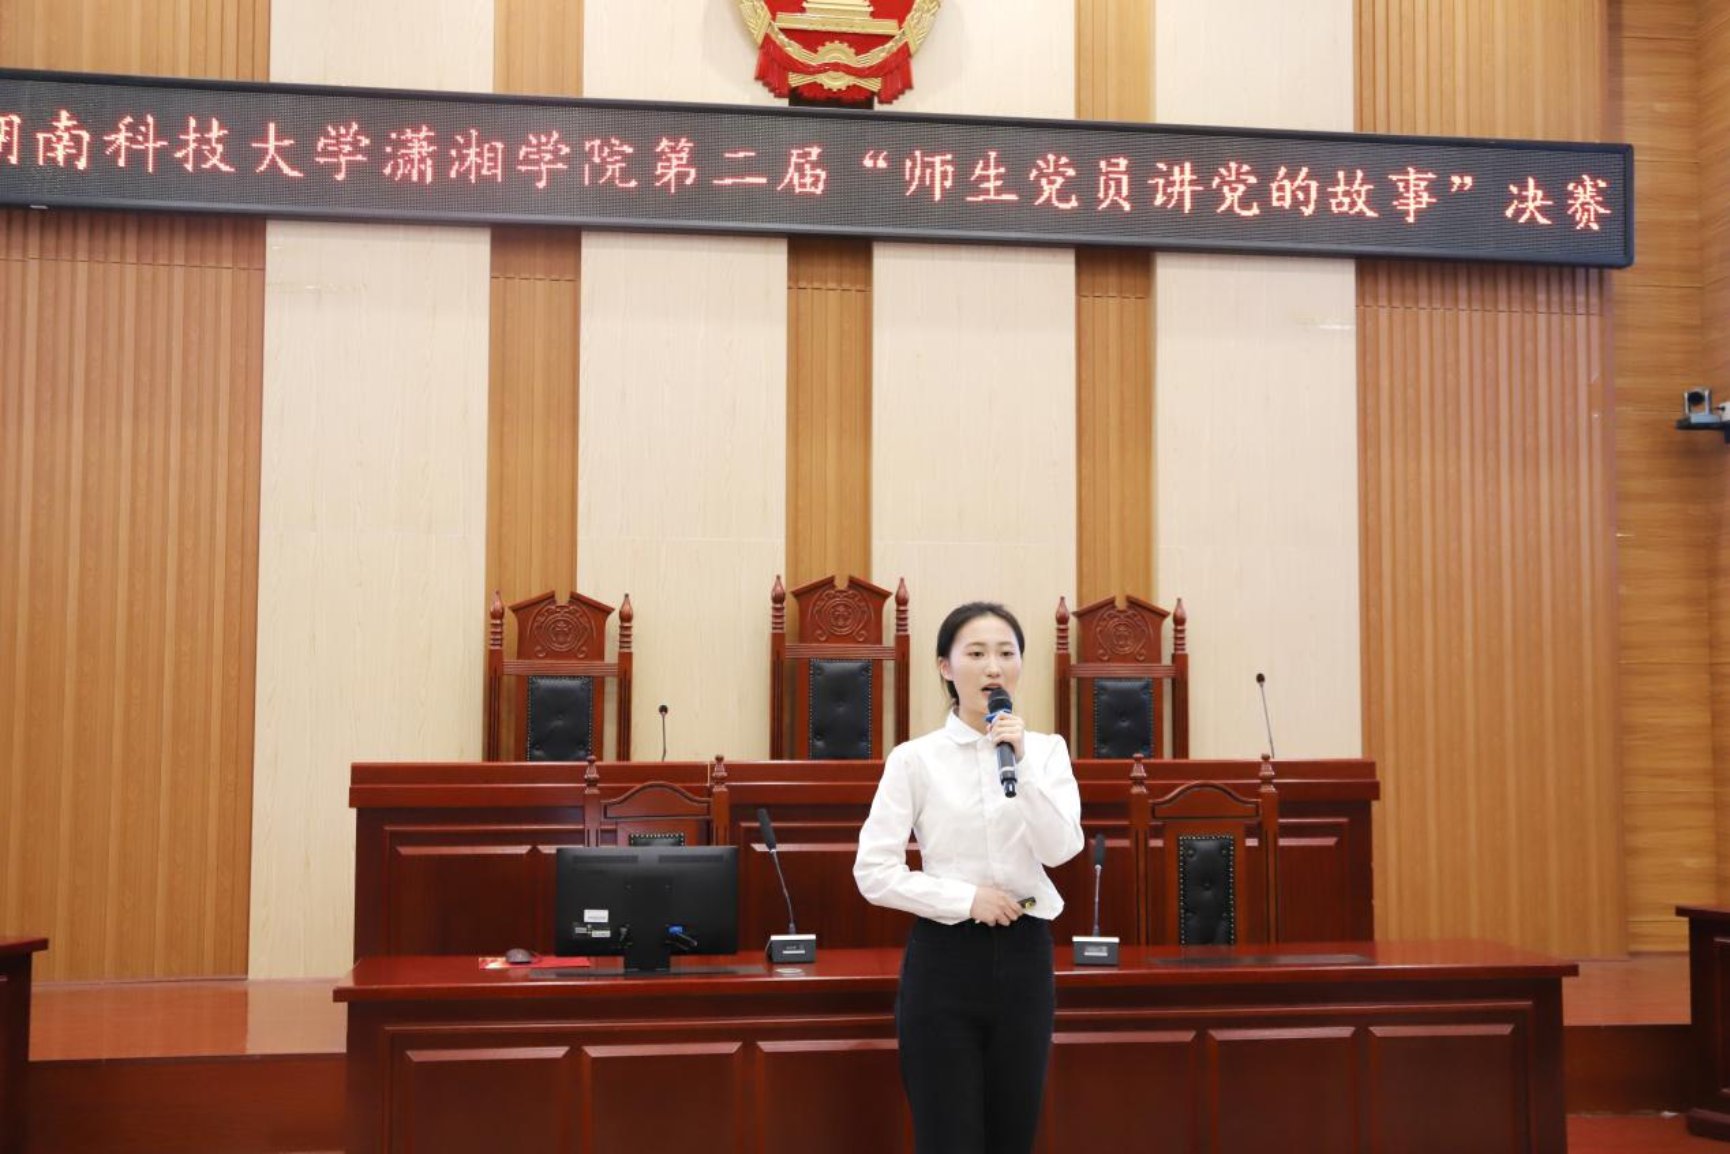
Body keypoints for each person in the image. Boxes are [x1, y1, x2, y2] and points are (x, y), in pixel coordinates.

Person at [853, 600, 1084, 1154]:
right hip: (945, 962)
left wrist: (1022, 764)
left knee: (1013, 1136)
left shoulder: (1046, 752)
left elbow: (1061, 850)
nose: (993, 668)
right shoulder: (915, 760)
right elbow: (873, 872)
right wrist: (964, 900)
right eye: (976, 654)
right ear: (945, 666)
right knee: (948, 1138)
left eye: (1006, 653)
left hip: (1026, 959)